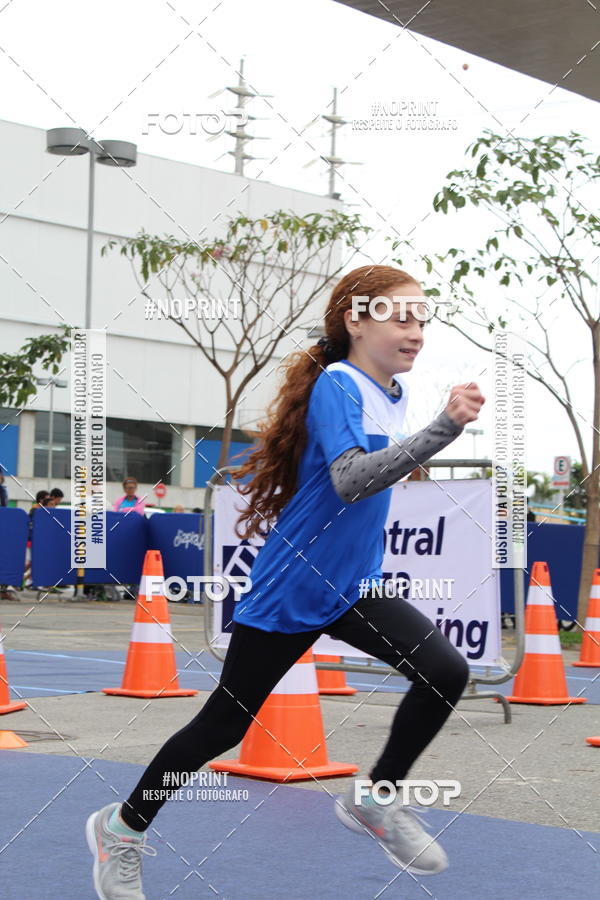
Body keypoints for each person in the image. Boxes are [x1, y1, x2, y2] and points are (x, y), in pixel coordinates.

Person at [86, 265, 485, 898]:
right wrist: (444, 428)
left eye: (422, 319)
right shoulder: (339, 384)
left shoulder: (392, 392)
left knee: (446, 670)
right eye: (401, 317)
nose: (417, 331)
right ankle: (124, 828)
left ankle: (374, 800)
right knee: (224, 726)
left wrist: (430, 425)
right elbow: (352, 479)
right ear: (356, 321)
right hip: (294, 586)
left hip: (356, 586)